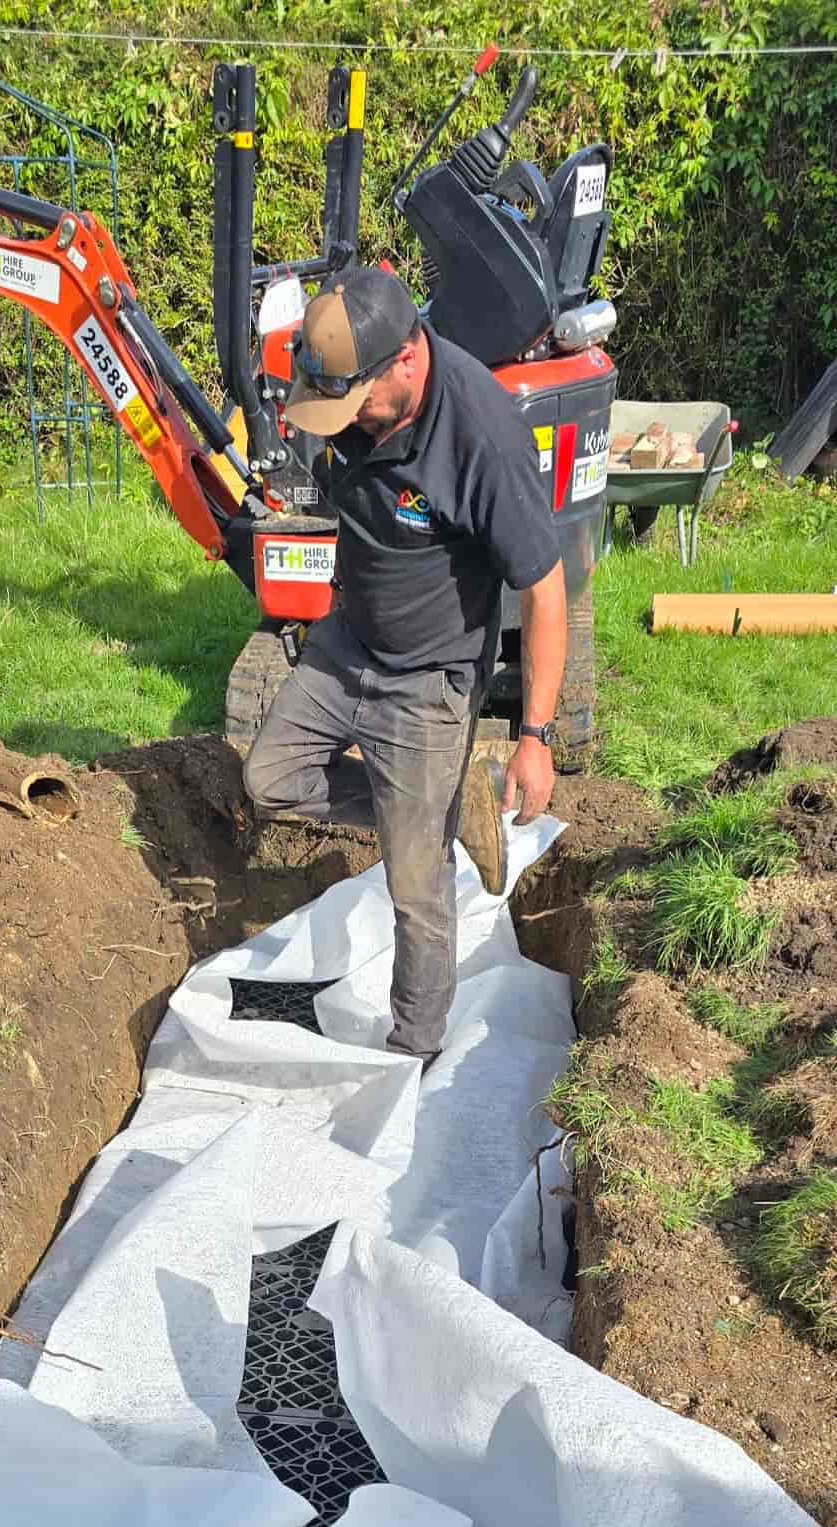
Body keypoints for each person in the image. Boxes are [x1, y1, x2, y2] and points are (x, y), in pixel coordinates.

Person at [243, 265, 566, 1062]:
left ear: (407, 363)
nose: (342, 422)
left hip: (429, 680)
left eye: (357, 404)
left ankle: (412, 1054)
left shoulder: (480, 433)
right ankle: (436, 808)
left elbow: (548, 592)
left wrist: (536, 735)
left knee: (415, 892)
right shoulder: (346, 392)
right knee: (268, 779)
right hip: (348, 643)